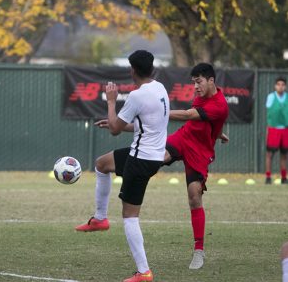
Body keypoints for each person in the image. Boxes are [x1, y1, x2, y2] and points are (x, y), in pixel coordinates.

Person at [76, 63, 229, 271]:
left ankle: (199, 250)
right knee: (156, 156)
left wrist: (157, 110)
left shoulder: (220, 104)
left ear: (211, 81)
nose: (195, 87)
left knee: (194, 196)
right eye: (193, 82)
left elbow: (189, 115)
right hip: (182, 138)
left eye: (199, 82)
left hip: (200, 151)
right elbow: (204, 119)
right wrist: (218, 133)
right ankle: (127, 182)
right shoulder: (203, 96)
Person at [100, 50, 169, 282]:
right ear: (151, 68)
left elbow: (114, 129)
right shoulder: (159, 88)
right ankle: (99, 218)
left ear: (133, 70)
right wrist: (113, 121)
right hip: (150, 155)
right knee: (102, 164)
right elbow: (144, 125)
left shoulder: (137, 96)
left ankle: (144, 272)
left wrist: (111, 102)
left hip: (140, 159)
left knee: (130, 216)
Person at [265, 77, 288, 184]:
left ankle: (284, 177)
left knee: (284, 155)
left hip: (285, 129)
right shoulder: (270, 97)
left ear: (285, 86)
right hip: (273, 129)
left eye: (283, 84)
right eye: (278, 84)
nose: (280, 86)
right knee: (269, 154)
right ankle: (268, 177)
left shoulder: (287, 97)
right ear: (275, 86)